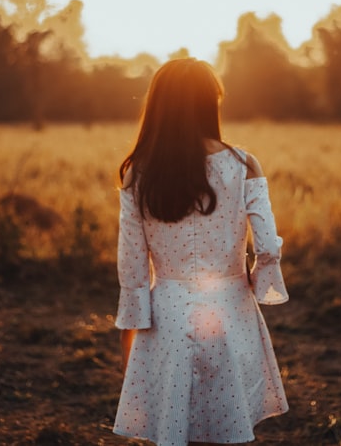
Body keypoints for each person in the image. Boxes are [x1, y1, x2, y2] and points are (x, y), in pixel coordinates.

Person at [112, 58, 289, 446]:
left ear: (157, 106)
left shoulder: (137, 173)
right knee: (225, 429)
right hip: (232, 312)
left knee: (175, 429)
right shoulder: (244, 164)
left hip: (165, 318)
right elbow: (267, 246)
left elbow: (132, 267)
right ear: (211, 103)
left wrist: (131, 338)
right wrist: (257, 281)